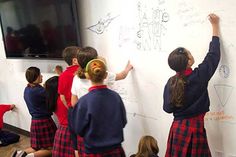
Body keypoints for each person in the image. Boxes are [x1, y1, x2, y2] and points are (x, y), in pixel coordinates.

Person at [163, 13, 220, 157]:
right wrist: (215, 26)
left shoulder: (170, 82)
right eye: (189, 53)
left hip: (177, 129)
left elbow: (167, 108)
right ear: (188, 62)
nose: (191, 54)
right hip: (194, 130)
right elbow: (213, 56)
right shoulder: (199, 76)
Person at [71, 59, 127, 157]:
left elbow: (78, 129)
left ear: (87, 76)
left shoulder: (83, 102)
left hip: (93, 151)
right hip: (115, 149)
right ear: (106, 75)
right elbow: (123, 122)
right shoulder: (116, 97)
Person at [13, 67, 57, 157]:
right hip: (44, 122)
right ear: (35, 77)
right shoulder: (39, 91)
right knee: (53, 149)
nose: (41, 76)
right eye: (39, 75)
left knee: (35, 147)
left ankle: (19, 154)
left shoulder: (27, 89)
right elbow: (52, 96)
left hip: (35, 121)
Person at [52, 46, 80, 157]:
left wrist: (70, 108)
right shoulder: (82, 72)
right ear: (75, 60)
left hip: (72, 112)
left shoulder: (63, 76)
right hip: (85, 110)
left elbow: (62, 97)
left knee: (76, 145)